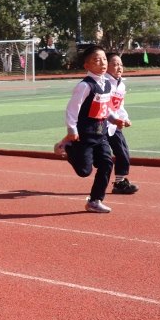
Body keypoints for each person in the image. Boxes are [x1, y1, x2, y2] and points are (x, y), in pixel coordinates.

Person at [53, 45, 125, 214]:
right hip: (84, 135)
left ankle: (94, 201)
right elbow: (73, 108)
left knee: (107, 164)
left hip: (101, 134)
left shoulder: (107, 85)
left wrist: (114, 119)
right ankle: (69, 147)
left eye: (104, 59)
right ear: (87, 65)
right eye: (97, 60)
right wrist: (71, 129)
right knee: (84, 171)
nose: (103, 63)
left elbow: (105, 108)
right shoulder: (85, 86)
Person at [105, 53, 139, 195]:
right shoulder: (103, 83)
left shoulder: (121, 85)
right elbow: (104, 106)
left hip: (115, 126)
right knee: (95, 157)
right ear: (106, 66)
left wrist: (124, 118)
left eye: (121, 64)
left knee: (123, 150)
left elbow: (119, 105)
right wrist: (114, 118)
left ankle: (119, 182)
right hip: (100, 125)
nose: (119, 67)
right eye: (115, 64)